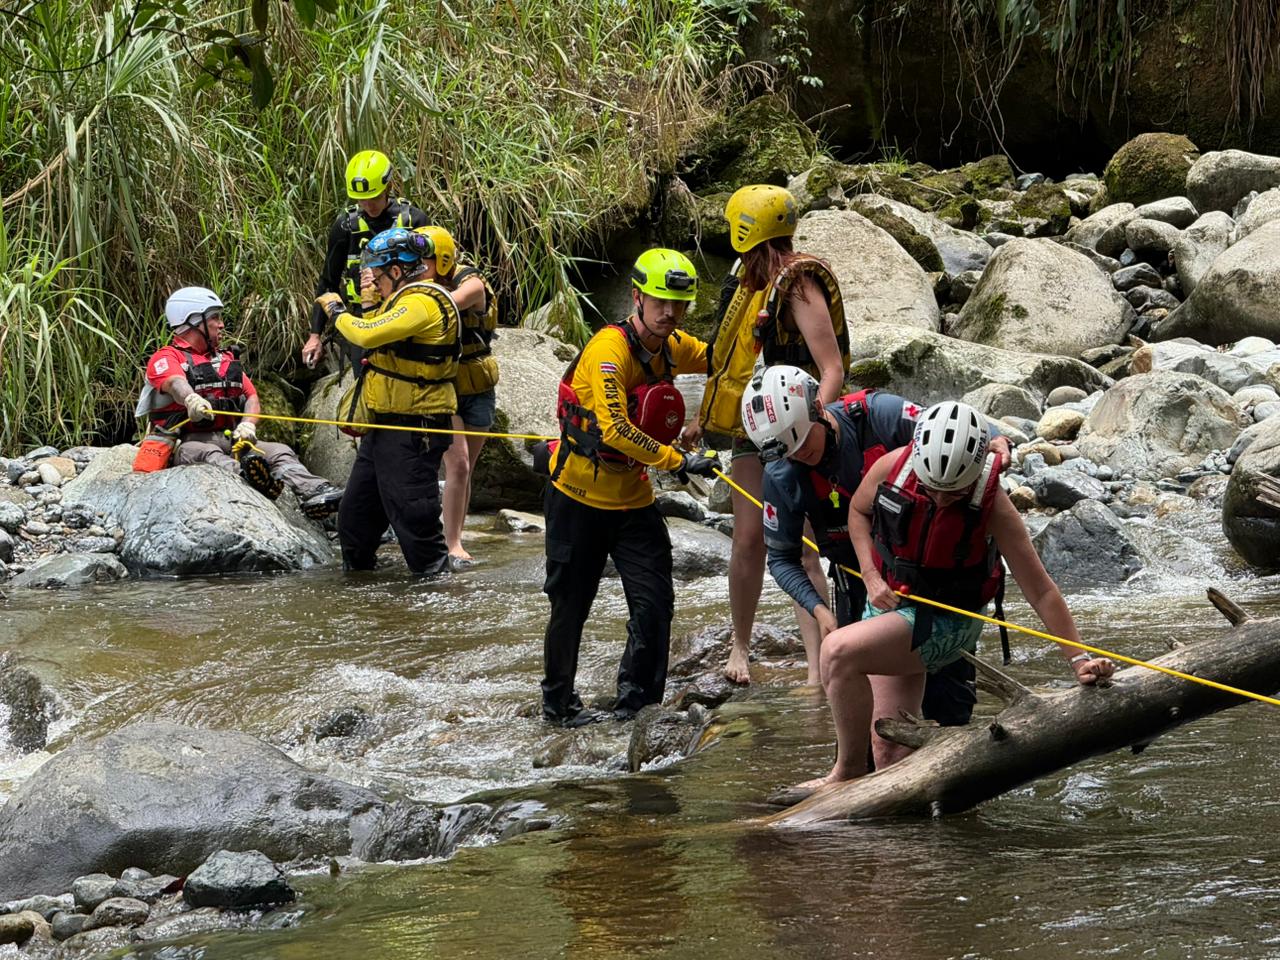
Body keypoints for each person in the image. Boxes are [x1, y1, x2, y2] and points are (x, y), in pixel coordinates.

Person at [783, 401, 1115, 798]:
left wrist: (1078, 659)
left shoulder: (993, 504)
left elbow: (1040, 589)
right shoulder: (893, 465)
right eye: (931, 488)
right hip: (888, 606)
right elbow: (858, 512)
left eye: (952, 492)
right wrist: (870, 576)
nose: (940, 501)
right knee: (889, 750)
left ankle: (846, 774)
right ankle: (916, 848)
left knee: (836, 651)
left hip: (946, 625)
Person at [740, 367, 1010, 725]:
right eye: (789, 451)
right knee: (875, 719)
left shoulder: (877, 414)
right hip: (859, 584)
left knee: (951, 707)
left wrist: (995, 437)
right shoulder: (782, 475)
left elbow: (948, 430)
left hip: (938, 582)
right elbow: (781, 559)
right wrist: (820, 611)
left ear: (818, 408)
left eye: (804, 442)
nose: (799, 455)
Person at [540, 248, 720, 727]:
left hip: (632, 501)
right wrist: (677, 459)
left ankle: (636, 707)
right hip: (576, 497)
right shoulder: (609, 350)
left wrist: (701, 419)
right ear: (637, 297)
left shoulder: (674, 346)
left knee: (654, 603)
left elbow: (721, 363)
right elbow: (616, 428)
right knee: (570, 607)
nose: (669, 313)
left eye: (679, 305)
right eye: (660, 301)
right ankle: (558, 706)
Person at [686, 184, 850, 686]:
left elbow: (832, 369)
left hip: (795, 428)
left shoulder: (799, 285)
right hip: (749, 428)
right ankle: (741, 644)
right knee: (748, 539)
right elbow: (730, 363)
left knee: (801, 544)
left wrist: (813, 424)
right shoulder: (748, 284)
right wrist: (700, 422)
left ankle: (819, 667)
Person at [314, 227, 460, 576]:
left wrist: (335, 309)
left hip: (414, 429)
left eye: (378, 275)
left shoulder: (423, 302)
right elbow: (373, 335)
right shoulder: (397, 300)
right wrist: (367, 304)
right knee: (355, 522)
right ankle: (364, 599)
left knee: (415, 522)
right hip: (382, 426)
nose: (373, 282)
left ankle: (439, 599)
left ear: (396, 271)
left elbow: (365, 334)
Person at [138, 287, 343, 514]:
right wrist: (191, 400)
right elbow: (175, 383)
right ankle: (249, 478)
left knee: (279, 451)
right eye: (215, 317)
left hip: (234, 440)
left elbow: (251, 396)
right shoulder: (167, 358)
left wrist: (248, 424)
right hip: (190, 441)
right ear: (194, 321)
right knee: (200, 453)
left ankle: (317, 491)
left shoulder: (225, 359)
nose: (221, 324)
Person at [415, 225, 500, 567]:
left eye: (424, 260)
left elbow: (446, 305)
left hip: (477, 388)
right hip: (443, 388)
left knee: (464, 471)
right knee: (459, 463)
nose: (417, 266)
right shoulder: (416, 286)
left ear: (444, 259)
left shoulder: (472, 283)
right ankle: (451, 545)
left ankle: (455, 534)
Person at [302, 150, 428, 369]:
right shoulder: (345, 227)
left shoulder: (414, 220)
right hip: (363, 318)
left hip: (408, 315)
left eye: (374, 197)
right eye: (361, 199)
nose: (368, 205)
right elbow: (328, 282)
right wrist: (315, 335)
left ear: (388, 186)